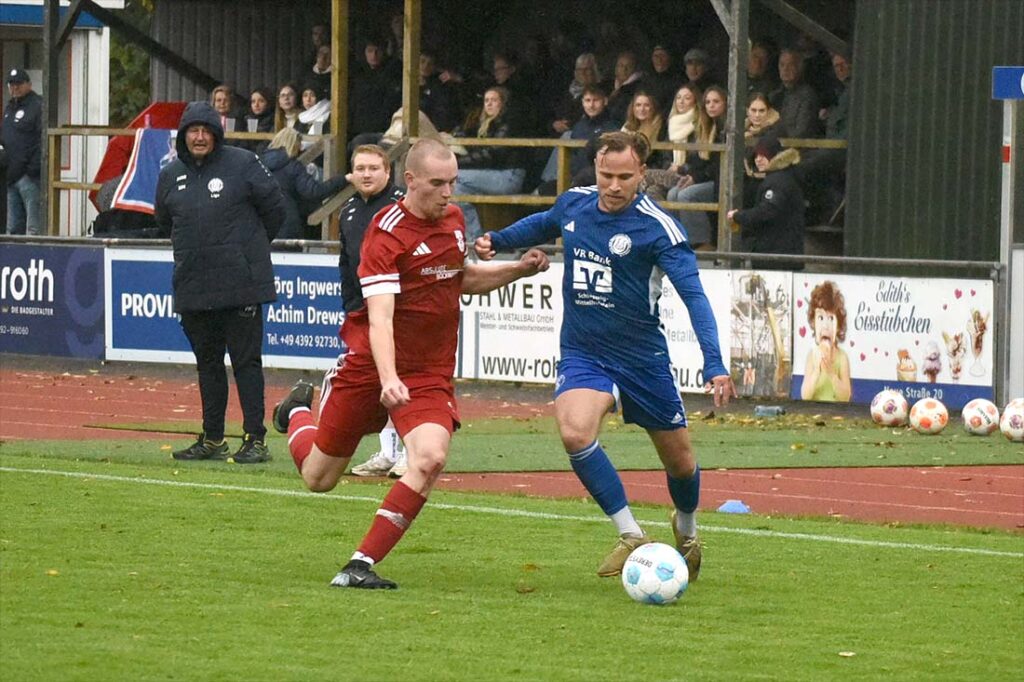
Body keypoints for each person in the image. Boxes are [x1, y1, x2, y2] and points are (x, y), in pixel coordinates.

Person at [270, 138, 550, 589]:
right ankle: (297, 413)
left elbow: (461, 279)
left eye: (453, 183)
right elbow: (379, 318)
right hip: (370, 367)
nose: (448, 193)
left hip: (428, 373)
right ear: (411, 180)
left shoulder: (454, 220)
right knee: (318, 478)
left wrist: (518, 269)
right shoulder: (386, 232)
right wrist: (388, 379)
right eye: (438, 184)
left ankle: (359, 564)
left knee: (430, 457)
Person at [474, 131, 736, 581]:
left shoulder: (658, 228)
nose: (613, 186)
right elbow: (543, 223)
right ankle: (631, 534)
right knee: (575, 433)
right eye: (605, 175)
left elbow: (694, 297)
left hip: (642, 358)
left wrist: (714, 362)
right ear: (595, 169)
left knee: (681, 463)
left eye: (624, 177)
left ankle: (687, 528)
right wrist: (499, 239)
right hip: (584, 351)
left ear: (642, 175)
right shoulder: (576, 203)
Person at [154, 101, 286, 463]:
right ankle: (213, 438)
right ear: (183, 136)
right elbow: (166, 222)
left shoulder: (243, 163)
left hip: (241, 283)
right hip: (194, 284)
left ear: (216, 134)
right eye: (192, 131)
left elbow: (275, 209)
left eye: (205, 130)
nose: (199, 137)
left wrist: (247, 250)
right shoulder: (170, 175)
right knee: (208, 364)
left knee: (247, 363)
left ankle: (255, 439)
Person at [336, 144, 408, 478]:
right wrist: (350, 304)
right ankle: (387, 451)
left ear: (387, 172)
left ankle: (410, 449)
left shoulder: (401, 207)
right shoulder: (349, 209)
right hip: (362, 309)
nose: (366, 174)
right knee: (378, 379)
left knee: (403, 376)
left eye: (373, 168)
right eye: (360, 168)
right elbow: (345, 261)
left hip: (398, 309)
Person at [452, 86, 526, 241]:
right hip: (492, 175)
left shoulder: (509, 123)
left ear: (503, 104)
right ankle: (475, 237)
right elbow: (469, 140)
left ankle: (473, 236)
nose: (489, 104)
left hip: (508, 176)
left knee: (454, 176)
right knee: (456, 189)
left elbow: (492, 155)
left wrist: (456, 162)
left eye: (494, 100)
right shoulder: (483, 125)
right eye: (486, 100)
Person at [666, 85, 728, 248]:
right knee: (673, 193)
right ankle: (677, 240)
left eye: (716, 101)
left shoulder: (727, 127)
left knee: (687, 195)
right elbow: (700, 160)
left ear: (725, 103)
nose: (711, 106)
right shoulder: (707, 125)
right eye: (707, 102)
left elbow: (717, 164)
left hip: (723, 180)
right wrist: (690, 174)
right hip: (706, 176)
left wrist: (695, 177)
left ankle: (701, 242)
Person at [258, 127, 347, 240]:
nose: (300, 149)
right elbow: (314, 191)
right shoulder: (293, 166)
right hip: (287, 224)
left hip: (261, 223)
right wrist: (342, 180)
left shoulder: (259, 163)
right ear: (294, 144)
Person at [726, 135, 804, 263]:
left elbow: (767, 211)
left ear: (775, 155)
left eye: (764, 155)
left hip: (777, 256)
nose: (758, 160)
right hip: (780, 253)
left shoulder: (777, 181)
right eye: (756, 156)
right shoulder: (783, 176)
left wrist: (738, 216)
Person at [2, 68, 43, 235]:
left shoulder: (38, 106)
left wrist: (31, 169)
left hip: (29, 178)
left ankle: (36, 260)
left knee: (33, 229)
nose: (14, 88)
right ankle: (13, 261)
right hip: (11, 177)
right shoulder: (9, 108)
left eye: (18, 83)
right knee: (13, 229)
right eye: (11, 84)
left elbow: (43, 140)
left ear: (29, 84)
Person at [800, 280, 852, 401]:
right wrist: (816, 372)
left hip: (836, 413)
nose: (825, 325)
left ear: (839, 326)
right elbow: (805, 396)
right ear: (813, 323)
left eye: (831, 319)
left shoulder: (842, 357)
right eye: (821, 318)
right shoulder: (812, 356)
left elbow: (846, 397)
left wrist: (832, 374)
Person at [770, 49, 819, 139]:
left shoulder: (807, 96)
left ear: (800, 67)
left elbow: (801, 133)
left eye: (791, 64)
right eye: (782, 65)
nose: (785, 69)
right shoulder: (775, 95)